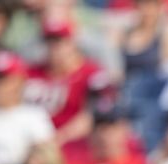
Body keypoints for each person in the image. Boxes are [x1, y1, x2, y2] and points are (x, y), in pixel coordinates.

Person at [23, 15, 107, 146]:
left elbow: (93, 116)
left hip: (73, 145)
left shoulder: (91, 73)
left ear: (72, 42)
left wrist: (58, 138)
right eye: (49, 42)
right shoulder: (31, 72)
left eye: (59, 41)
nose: (54, 48)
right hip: (31, 143)